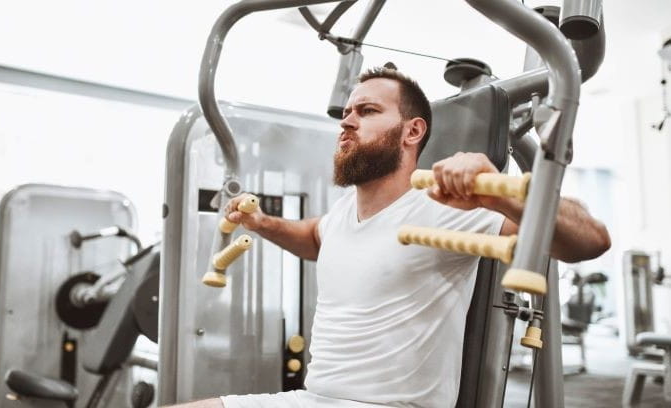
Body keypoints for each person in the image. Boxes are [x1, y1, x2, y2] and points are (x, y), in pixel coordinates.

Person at [169, 66, 611, 408]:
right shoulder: (345, 213)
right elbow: (314, 238)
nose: (346, 123)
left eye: (367, 111)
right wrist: (265, 225)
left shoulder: (444, 206)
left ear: (412, 131)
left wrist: (499, 192)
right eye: (346, 113)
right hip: (312, 399)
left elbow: (590, 240)